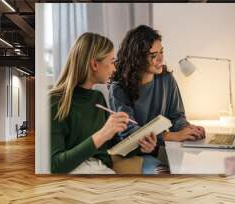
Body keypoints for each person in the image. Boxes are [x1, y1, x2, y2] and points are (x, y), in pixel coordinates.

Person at [50, 32, 156, 174]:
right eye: (112, 62)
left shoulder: (97, 98)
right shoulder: (55, 101)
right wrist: (103, 134)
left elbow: (112, 148)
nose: (114, 68)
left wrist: (141, 145)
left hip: (102, 171)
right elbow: (55, 165)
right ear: (94, 64)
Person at [109, 25, 206, 173]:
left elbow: (176, 116)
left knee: (193, 167)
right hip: (130, 155)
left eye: (161, 52)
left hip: (157, 150)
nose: (160, 58)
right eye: (153, 55)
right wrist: (171, 136)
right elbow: (130, 134)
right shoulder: (118, 89)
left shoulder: (167, 79)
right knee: (163, 172)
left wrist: (187, 129)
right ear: (137, 58)